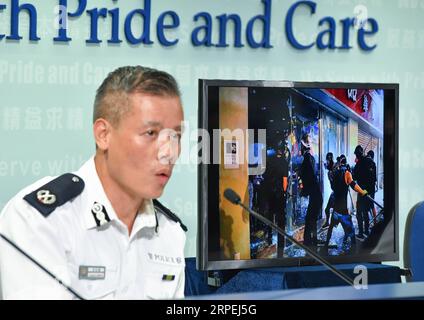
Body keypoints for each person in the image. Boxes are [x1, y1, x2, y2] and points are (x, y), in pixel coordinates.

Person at [0, 66, 187, 300]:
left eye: (175, 136)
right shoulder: (39, 219)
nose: (168, 152)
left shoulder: (170, 233)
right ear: (103, 134)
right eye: (151, 133)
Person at [324, 155, 368, 253]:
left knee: (331, 227)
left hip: (335, 210)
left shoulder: (334, 173)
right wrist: (362, 192)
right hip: (343, 212)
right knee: (352, 234)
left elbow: (333, 186)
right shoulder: (347, 173)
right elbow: (353, 185)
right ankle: (353, 254)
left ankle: (326, 245)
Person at [298, 134, 323, 248]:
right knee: (311, 218)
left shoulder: (308, 158)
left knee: (310, 218)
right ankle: (312, 240)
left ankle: (309, 242)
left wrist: (304, 190)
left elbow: (311, 176)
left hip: (315, 193)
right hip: (315, 193)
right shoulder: (310, 158)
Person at [353, 145, 376, 239]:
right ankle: (366, 230)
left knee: (359, 212)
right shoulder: (370, 161)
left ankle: (361, 233)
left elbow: (354, 177)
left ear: (357, 154)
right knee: (366, 211)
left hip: (362, 191)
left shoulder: (358, 164)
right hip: (370, 191)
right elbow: (374, 178)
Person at [322, 152, 335, 229]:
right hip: (335, 192)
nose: (327, 161)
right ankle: (328, 222)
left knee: (330, 210)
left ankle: (329, 223)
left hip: (336, 192)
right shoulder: (331, 167)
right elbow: (327, 167)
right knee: (328, 209)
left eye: (328, 160)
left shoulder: (333, 168)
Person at [366, 150, 378, 220]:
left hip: (369, 188)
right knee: (371, 204)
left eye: (368, 155)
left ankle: (374, 220)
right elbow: (374, 178)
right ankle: (374, 221)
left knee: (370, 204)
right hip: (372, 187)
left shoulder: (370, 164)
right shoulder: (373, 163)